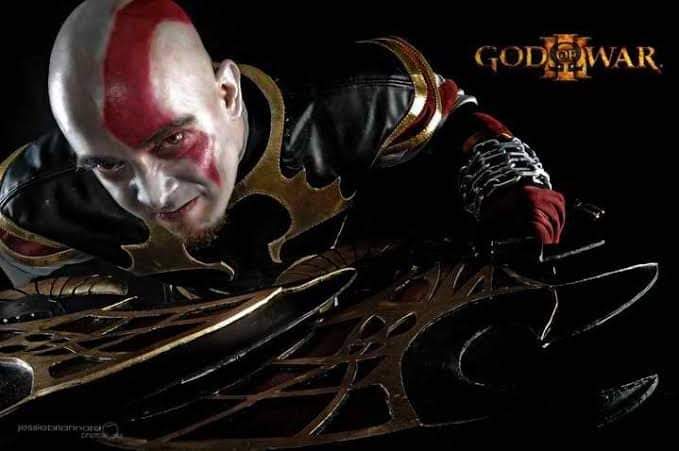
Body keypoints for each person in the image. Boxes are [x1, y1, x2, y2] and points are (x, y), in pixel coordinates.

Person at [0, 0, 565, 292]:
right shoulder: (33, 208)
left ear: (226, 92)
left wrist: (505, 184)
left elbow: (459, 123)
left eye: (172, 139)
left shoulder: (361, 100)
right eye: (108, 164)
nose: (153, 194)